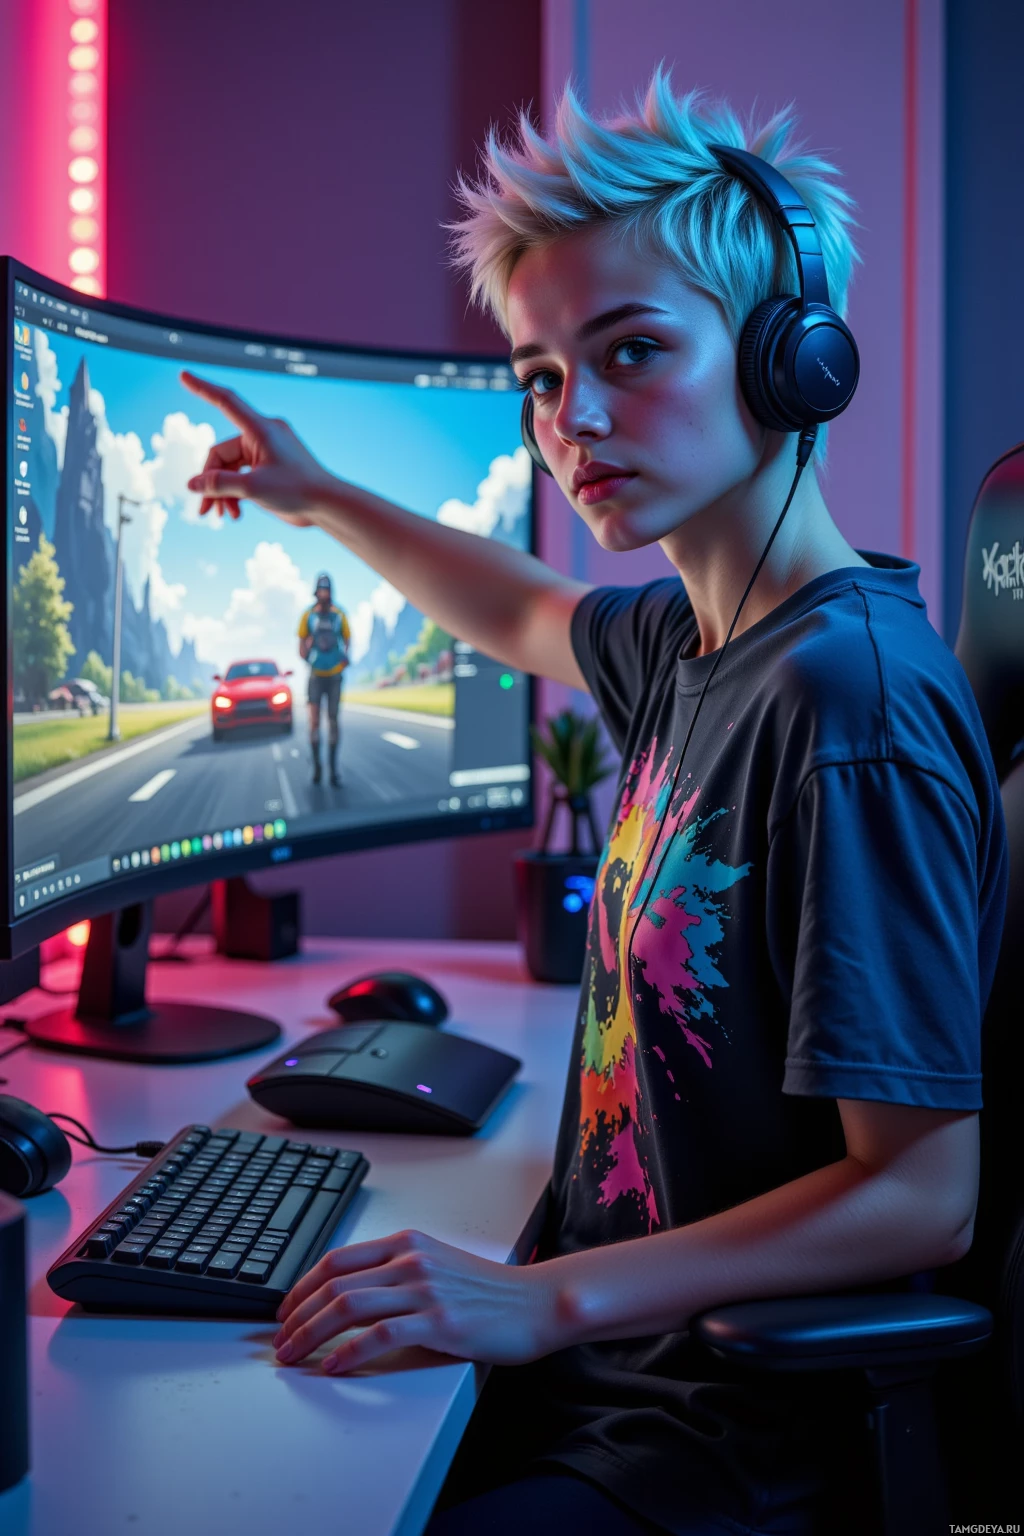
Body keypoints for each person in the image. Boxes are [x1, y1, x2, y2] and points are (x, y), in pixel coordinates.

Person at [181, 71, 1006, 1536]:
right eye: (544, 377)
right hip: (607, 1366)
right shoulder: (701, 643)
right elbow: (527, 612)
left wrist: (543, 1298)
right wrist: (319, 498)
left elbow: (924, 1199)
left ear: (792, 363)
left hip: (717, 1439)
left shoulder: (844, 704)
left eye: (632, 352)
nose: (577, 421)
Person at [297, 571, 350, 786]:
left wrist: (344, 657)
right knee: (314, 723)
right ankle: (318, 767)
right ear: (316, 592)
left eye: (326, 590)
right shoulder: (308, 616)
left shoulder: (339, 615)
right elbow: (301, 644)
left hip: (334, 675)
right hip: (316, 675)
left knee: (334, 721)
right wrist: (308, 654)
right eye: (321, 590)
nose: (324, 594)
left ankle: (333, 769)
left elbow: (348, 638)